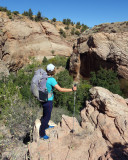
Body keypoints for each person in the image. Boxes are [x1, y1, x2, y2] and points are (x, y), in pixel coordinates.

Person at [39, 63, 77, 140]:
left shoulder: (42, 76)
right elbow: (60, 89)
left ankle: (45, 125)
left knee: (45, 113)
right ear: (53, 71)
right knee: (47, 116)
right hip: (48, 100)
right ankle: (42, 133)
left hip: (42, 98)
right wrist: (72, 89)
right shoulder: (51, 80)